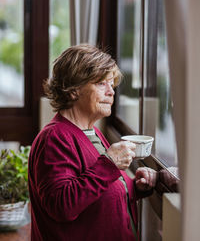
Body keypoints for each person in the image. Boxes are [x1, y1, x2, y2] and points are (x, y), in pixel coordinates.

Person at [28, 44, 157, 241]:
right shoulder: (54, 138)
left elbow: (99, 191)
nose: (111, 92)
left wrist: (136, 186)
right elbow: (62, 206)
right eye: (101, 83)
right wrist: (109, 164)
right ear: (73, 90)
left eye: (111, 84)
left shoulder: (91, 131)